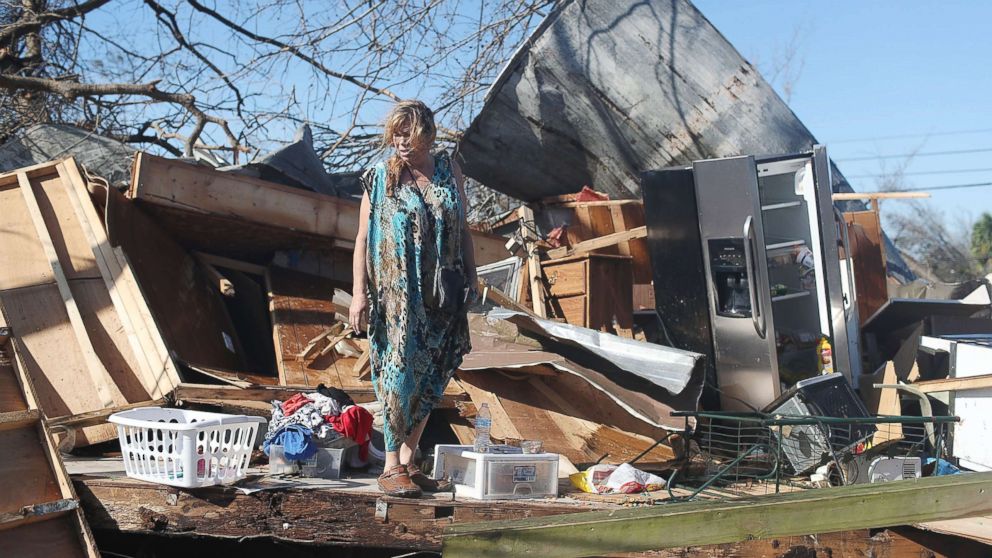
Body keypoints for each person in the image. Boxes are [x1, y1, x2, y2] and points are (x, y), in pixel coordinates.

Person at [350, 100, 477, 498]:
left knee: (435, 370)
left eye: (410, 133)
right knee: (399, 371)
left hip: (442, 291)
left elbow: (464, 229)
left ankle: (408, 460)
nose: (402, 142)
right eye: (396, 134)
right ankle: (390, 465)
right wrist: (358, 294)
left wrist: (472, 275)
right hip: (397, 293)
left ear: (428, 133)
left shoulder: (448, 170)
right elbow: (362, 238)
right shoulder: (379, 176)